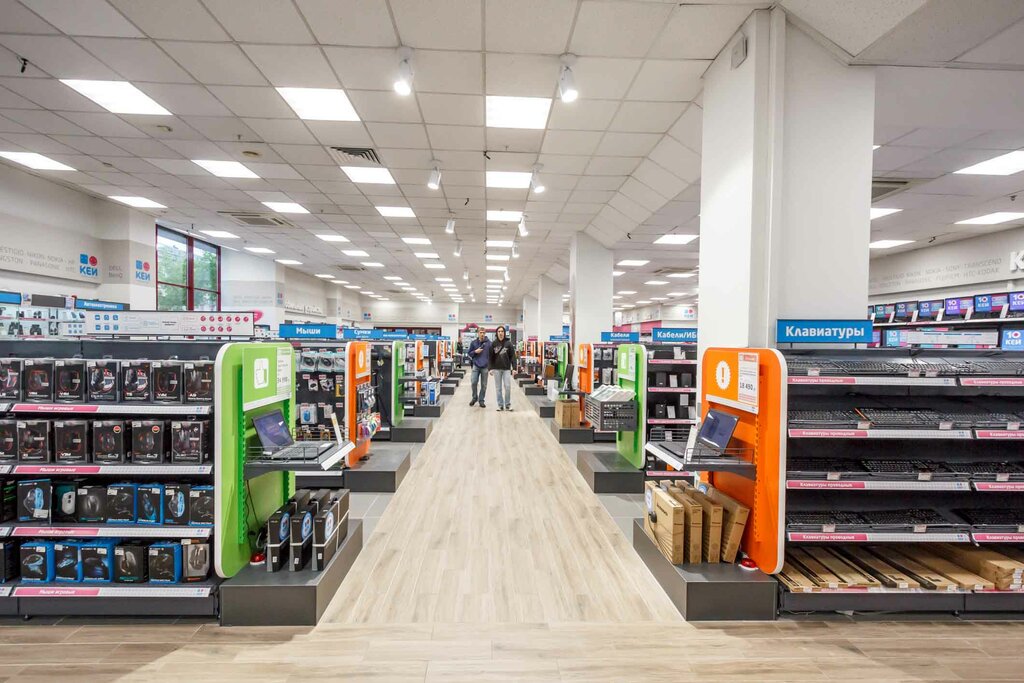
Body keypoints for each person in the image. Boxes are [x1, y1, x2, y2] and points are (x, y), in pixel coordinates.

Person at [489, 325, 516, 411]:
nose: (500, 333)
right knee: (498, 388)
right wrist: (490, 368)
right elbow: (490, 357)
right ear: (497, 333)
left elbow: (513, 356)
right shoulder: (493, 344)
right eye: (499, 331)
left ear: (504, 333)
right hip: (496, 369)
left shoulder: (509, 343)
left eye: (502, 331)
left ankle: (507, 405)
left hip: (506, 369)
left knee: (507, 387)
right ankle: (500, 405)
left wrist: (514, 368)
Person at [466, 327, 490, 407]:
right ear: (478, 333)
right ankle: (474, 397)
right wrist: (475, 351)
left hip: (485, 367)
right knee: (473, 382)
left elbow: (492, 355)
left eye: (483, 332)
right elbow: (469, 354)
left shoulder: (489, 343)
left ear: (485, 333)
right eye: (480, 332)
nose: (482, 334)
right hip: (476, 366)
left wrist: (491, 366)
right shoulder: (473, 343)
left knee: (484, 385)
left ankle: (481, 400)